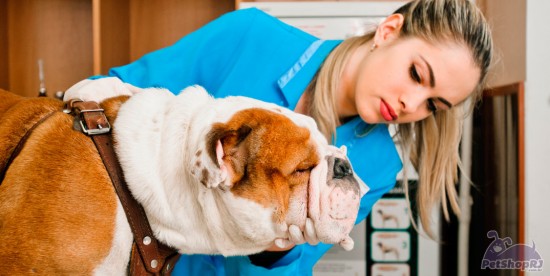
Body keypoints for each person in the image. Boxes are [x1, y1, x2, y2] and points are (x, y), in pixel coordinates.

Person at [67, 0, 493, 274]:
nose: (411, 105)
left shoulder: (380, 163)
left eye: (433, 105)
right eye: (417, 74)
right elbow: (113, 93)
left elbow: (292, 264)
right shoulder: (250, 36)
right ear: (388, 30)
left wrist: (279, 246)